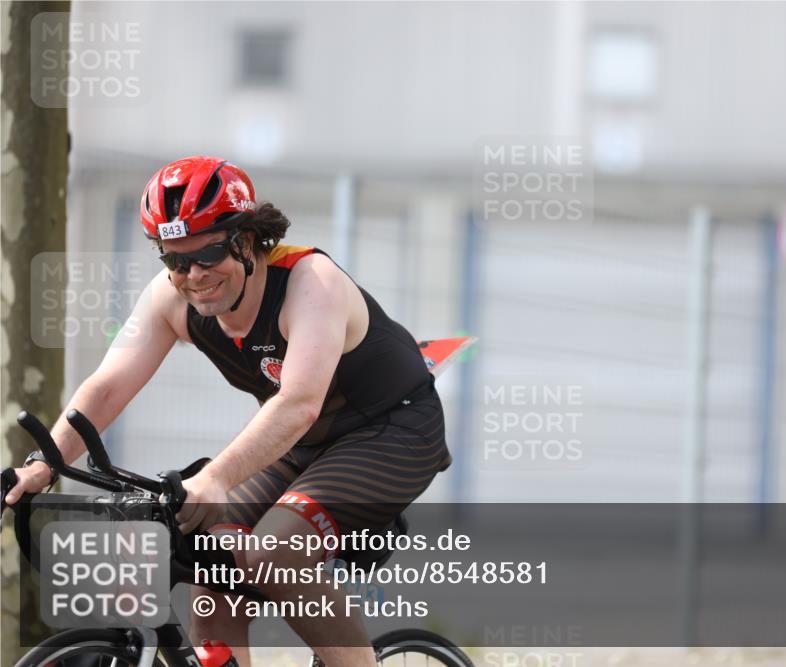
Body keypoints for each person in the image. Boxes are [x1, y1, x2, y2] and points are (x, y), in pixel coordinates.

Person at [4, 155, 452, 667]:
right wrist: (42, 466)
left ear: (245, 240)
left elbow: (299, 403)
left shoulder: (311, 283)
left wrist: (215, 477)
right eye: (174, 260)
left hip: (393, 432)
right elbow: (106, 389)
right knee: (205, 560)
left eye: (208, 253)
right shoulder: (170, 300)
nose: (193, 276)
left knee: (273, 551)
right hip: (301, 445)